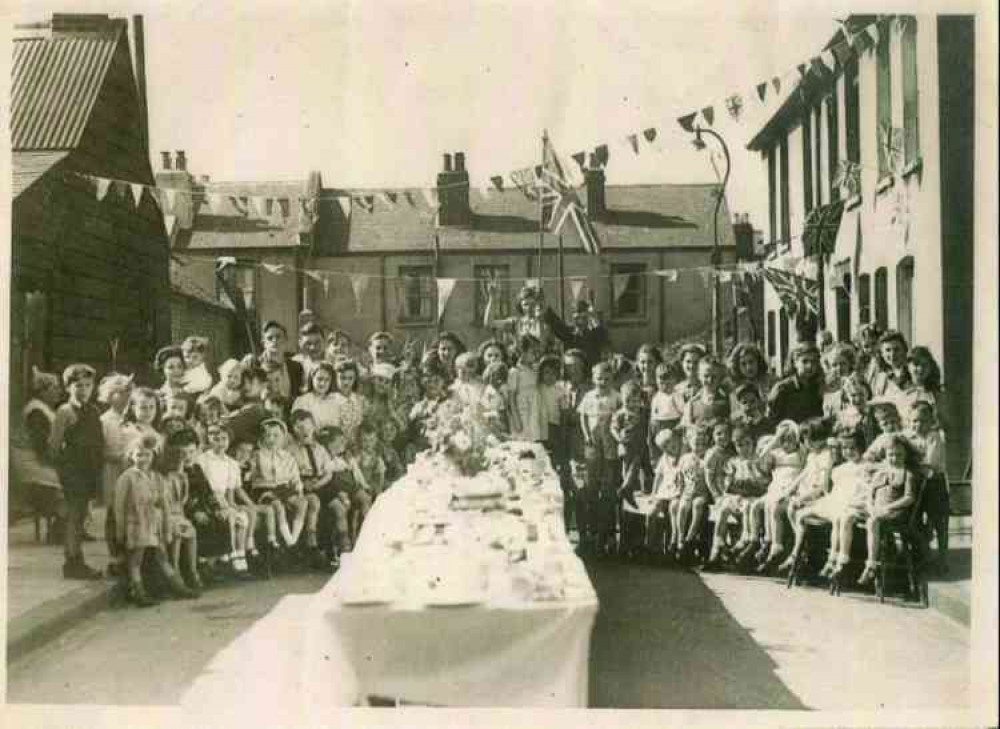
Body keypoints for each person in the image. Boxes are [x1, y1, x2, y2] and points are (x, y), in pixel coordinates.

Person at [114, 434, 198, 606]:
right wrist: (120, 529)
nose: (143, 459)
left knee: (162, 555)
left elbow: (165, 505)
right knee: (136, 558)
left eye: (147, 455)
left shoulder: (157, 478)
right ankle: (138, 591)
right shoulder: (127, 477)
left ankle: (178, 586)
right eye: (139, 455)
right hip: (136, 523)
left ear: (153, 456)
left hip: (154, 523)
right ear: (131, 456)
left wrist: (167, 528)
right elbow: (119, 507)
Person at [48, 364, 105, 580]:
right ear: (68, 387)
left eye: (88, 385)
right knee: (73, 517)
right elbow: (53, 446)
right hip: (73, 471)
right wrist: (64, 471)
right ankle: (72, 561)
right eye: (78, 385)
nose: (83, 390)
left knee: (81, 517)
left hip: (89, 470)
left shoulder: (93, 410)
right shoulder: (64, 412)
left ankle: (76, 558)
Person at [11, 367, 66, 545]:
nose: (58, 391)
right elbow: (41, 446)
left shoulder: (44, 409)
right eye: (54, 388)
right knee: (73, 479)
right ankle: (61, 527)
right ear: (42, 391)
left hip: (39, 459)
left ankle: (66, 525)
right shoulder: (36, 411)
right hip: (33, 464)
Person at [773, 419, 834, 573]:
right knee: (782, 507)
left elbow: (823, 486)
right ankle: (799, 547)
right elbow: (803, 474)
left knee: (795, 510)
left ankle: (797, 553)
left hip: (819, 497)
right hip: (805, 494)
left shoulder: (827, 455)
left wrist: (802, 498)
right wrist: (788, 491)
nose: (807, 444)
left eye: (811, 440)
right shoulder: (813, 454)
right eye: (806, 441)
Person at [856, 434, 918, 586]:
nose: (894, 458)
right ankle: (844, 562)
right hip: (876, 509)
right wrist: (871, 506)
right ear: (885, 454)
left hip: (896, 512)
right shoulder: (880, 472)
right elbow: (871, 493)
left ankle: (871, 565)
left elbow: (909, 498)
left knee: (873, 521)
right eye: (891, 454)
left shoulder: (907, 474)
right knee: (851, 514)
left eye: (899, 454)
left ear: (906, 455)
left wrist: (888, 507)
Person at [197, 424, 254, 578]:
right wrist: (218, 504)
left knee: (241, 518)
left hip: (223, 500)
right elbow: (202, 487)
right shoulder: (202, 460)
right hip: (208, 499)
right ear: (209, 439)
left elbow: (230, 491)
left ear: (229, 441)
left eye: (224, 439)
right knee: (228, 518)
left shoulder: (232, 463)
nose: (220, 443)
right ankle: (230, 558)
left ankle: (240, 559)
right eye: (216, 439)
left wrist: (231, 506)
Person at [577, 361, 621, 556]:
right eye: (598, 378)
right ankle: (592, 533)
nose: (602, 382)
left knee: (609, 486)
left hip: (610, 440)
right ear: (593, 379)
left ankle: (609, 535)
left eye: (606, 378)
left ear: (612, 379)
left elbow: (621, 416)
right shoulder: (588, 396)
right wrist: (586, 435)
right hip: (593, 441)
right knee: (591, 486)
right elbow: (583, 417)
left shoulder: (616, 396)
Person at [710, 425, 769, 567]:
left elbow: (765, 482)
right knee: (723, 509)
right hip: (737, 497)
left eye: (747, 444)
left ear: (753, 444)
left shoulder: (758, 460)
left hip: (753, 497)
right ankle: (717, 545)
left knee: (748, 506)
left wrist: (754, 479)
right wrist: (730, 487)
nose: (744, 449)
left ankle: (746, 540)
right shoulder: (733, 462)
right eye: (740, 445)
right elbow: (728, 483)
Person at [749, 420, 804, 568]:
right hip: (775, 489)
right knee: (756, 506)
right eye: (783, 442)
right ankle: (756, 541)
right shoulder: (776, 453)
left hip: (790, 491)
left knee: (772, 506)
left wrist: (792, 429)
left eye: (789, 441)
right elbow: (760, 457)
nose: (786, 445)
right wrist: (776, 437)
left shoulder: (800, 453)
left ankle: (775, 546)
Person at [251, 418, 309, 550]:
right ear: (262, 438)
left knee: (302, 502)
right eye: (268, 436)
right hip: (265, 488)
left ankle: (294, 538)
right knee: (277, 505)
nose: (272, 439)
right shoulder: (259, 455)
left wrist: (298, 490)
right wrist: (268, 454)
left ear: (283, 438)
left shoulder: (287, 456)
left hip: (283, 489)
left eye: (276, 436)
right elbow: (265, 474)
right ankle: (288, 539)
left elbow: (295, 477)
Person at [905, 400, 950, 572]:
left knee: (939, 520)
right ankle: (922, 554)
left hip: (934, 484)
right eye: (914, 421)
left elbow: (930, 463)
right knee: (914, 520)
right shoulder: (907, 437)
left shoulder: (934, 437)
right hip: (915, 483)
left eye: (923, 421)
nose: (918, 424)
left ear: (931, 421)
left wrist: (912, 461)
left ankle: (943, 557)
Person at [287, 409, 334, 568]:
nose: (304, 430)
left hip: (321, 483)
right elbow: (289, 472)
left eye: (307, 426)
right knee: (313, 501)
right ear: (294, 430)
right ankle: (311, 545)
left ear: (314, 426)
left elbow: (328, 472)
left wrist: (318, 484)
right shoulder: (290, 450)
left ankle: (329, 551)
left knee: (333, 504)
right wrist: (302, 483)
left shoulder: (321, 449)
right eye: (299, 427)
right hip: (301, 485)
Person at [98, 373, 134, 575]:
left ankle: (131, 555)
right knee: (114, 512)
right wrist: (120, 456)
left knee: (131, 511)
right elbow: (100, 450)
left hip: (132, 469)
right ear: (110, 396)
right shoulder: (104, 421)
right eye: (120, 393)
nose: (126, 396)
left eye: (129, 392)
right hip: (113, 470)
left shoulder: (132, 418)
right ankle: (115, 556)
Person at [158, 434, 201, 591]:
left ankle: (192, 570)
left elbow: (182, 502)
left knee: (191, 531)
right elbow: (164, 505)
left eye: (183, 462)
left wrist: (182, 519)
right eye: (179, 462)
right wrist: (174, 521)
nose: (182, 465)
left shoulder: (182, 477)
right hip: (166, 516)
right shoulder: (163, 479)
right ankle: (176, 571)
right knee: (178, 532)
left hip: (178, 514)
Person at [673, 423, 713, 562]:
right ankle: (680, 538)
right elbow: (679, 477)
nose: (699, 446)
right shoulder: (685, 458)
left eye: (703, 443)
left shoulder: (707, 457)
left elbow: (711, 478)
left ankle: (690, 537)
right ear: (689, 442)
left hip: (702, 492)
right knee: (683, 507)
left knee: (698, 505)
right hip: (687, 491)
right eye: (696, 443)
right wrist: (679, 491)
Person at [610, 380, 650, 510]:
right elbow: (613, 428)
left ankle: (636, 489)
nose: (632, 404)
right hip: (627, 445)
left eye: (635, 401)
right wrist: (620, 439)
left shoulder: (643, 411)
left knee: (644, 467)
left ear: (639, 399)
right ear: (622, 399)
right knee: (628, 468)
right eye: (627, 401)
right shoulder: (621, 414)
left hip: (642, 444)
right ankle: (627, 490)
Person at [644, 428, 683, 559]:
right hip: (664, 491)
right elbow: (658, 477)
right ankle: (651, 546)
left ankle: (674, 544)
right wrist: (653, 494)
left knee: (673, 509)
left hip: (678, 491)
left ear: (677, 440)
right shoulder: (664, 458)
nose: (670, 447)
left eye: (671, 443)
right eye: (665, 446)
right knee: (651, 512)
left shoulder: (684, 455)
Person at [766, 342, 824, 427]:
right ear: (795, 362)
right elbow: (771, 421)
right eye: (805, 361)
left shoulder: (817, 387)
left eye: (814, 362)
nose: (809, 366)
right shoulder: (782, 388)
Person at [548, 298, 610, 370]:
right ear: (573, 319)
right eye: (577, 318)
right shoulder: (569, 334)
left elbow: (603, 336)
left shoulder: (594, 334)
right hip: (573, 373)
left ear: (588, 318)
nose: (580, 322)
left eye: (584, 318)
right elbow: (555, 323)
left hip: (591, 374)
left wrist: (593, 317)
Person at [252, 320, 306, 399]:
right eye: (270, 338)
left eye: (278, 336)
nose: (274, 341)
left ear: (286, 340)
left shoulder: (296, 367)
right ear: (263, 343)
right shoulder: (254, 365)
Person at [508, 334, 546, 443]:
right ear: (522, 351)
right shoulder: (515, 372)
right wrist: (516, 420)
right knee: (523, 441)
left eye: (538, 352)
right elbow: (511, 399)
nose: (537, 355)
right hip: (522, 413)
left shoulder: (534, 369)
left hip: (534, 410)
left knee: (534, 440)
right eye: (533, 352)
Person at [681, 357, 730, 428]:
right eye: (706, 376)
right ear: (699, 376)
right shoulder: (692, 403)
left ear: (720, 378)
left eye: (714, 377)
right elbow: (686, 426)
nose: (710, 380)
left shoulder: (726, 400)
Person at [726, 342, 771, 420]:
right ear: (737, 366)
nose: (748, 367)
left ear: (758, 361)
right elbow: (733, 415)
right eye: (743, 364)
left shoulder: (769, 381)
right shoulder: (734, 387)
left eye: (751, 362)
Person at [292, 362, 340, 432]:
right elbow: (297, 427)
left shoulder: (334, 401)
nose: (322, 383)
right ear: (312, 378)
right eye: (319, 379)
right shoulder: (302, 401)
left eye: (327, 380)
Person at [331, 359, 366, 451]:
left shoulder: (359, 400)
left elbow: (359, 427)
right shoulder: (331, 400)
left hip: (355, 446)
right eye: (342, 378)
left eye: (350, 378)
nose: (346, 382)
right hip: (335, 446)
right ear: (335, 378)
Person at [870, 330, 912, 398]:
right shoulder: (881, 377)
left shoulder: (912, 372)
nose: (892, 354)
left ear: (905, 350)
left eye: (897, 349)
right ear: (882, 354)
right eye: (888, 350)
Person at [155, 345, 191, 414]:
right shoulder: (158, 396)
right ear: (163, 370)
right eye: (171, 367)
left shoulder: (191, 391)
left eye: (180, 366)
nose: (176, 371)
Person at [481, 362, 511, 438]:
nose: (497, 379)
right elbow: (485, 403)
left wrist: (502, 394)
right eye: (493, 375)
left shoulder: (504, 387)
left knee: (504, 432)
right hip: (492, 415)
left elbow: (507, 401)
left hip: (503, 414)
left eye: (499, 376)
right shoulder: (488, 388)